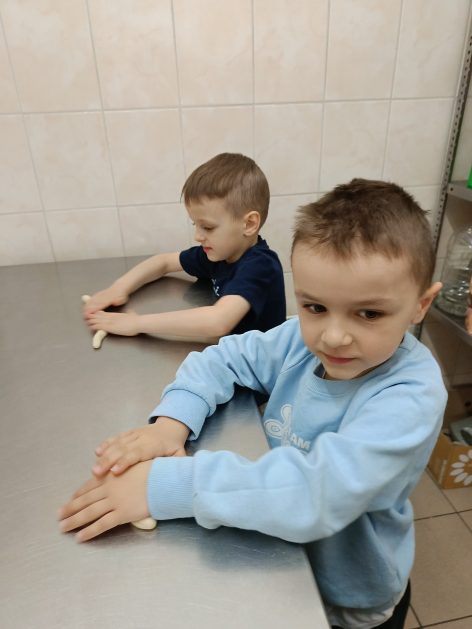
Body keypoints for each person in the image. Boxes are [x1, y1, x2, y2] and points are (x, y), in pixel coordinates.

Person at [59, 179, 447, 629]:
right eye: (315, 307)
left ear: (420, 305)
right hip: (281, 561)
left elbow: (315, 492)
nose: (334, 336)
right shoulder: (300, 340)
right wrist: (171, 423)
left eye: (370, 313)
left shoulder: (411, 395)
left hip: (351, 597)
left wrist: (167, 486)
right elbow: (224, 357)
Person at [83, 153, 286, 339]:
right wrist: (118, 289)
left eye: (207, 227)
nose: (198, 236)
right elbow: (163, 262)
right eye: (195, 225)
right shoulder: (219, 254)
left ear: (249, 224)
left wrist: (137, 323)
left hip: (262, 366)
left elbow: (218, 322)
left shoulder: (261, 265)